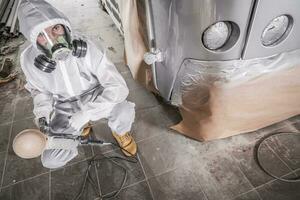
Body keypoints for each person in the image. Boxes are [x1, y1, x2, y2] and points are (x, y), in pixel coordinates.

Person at [17, 0, 137, 169]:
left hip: (96, 93)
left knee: (123, 111)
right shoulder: (30, 60)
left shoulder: (87, 45)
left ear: (64, 25)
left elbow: (118, 87)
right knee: (51, 159)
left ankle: (120, 132)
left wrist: (87, 112)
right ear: (33, 38)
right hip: (64, 105)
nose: (53, 38)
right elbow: (38, 90)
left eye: (55, 28)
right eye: (42, 35)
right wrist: (42, 113)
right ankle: (80, 127)